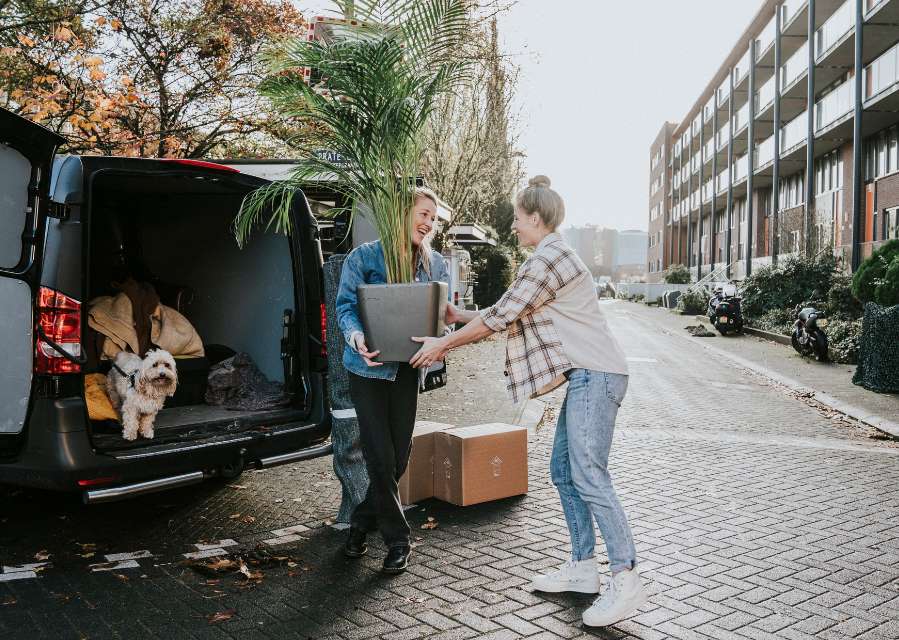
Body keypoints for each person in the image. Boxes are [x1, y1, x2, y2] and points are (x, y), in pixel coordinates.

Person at [409, 176, 648, 626]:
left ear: (536, 219)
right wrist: (460, 317)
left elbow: (501, 316)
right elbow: (509, 309)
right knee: (563, 470)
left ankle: (626, 577)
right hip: (588, 378)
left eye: (518, 220)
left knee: (589, 475)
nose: (514, 227)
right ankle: (582, 569)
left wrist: (444, 343)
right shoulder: (550, 256)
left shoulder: (547, 259)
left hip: (598, 377)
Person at [335, 187, 448, 574]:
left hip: (406, 369)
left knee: (397, 457)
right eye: (423, 213)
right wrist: (356, 337)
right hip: (367, 368)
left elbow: (443, 316)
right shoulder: (363, 257)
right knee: (379, 455)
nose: (429, 222)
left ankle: (359, 524)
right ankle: (398, 541)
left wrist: (443, 340)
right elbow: (345, 307)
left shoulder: (435, 265)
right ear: (402, 213)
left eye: (433, 218)